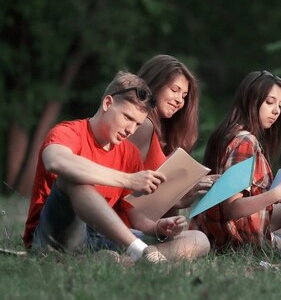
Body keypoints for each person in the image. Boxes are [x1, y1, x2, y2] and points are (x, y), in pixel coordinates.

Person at [23, 71, 211, 263]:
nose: (130, 129)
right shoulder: (68, 132)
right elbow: (55, 161)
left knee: (198, 239)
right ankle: (143, 254)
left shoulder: (129, 152)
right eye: (127, 118)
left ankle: (126, 262)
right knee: (74, 179)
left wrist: (158, 227)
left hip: (99, 236)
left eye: (137, 124)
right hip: (53, 235)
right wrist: (128, 179)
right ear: (107, 103)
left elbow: (135, 215)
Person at [190, 70, 281, 251]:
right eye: (269, 102)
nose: (276, 111)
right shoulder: (245, 141)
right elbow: (232, 208)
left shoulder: (228, 132)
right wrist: (278, 193)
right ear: (251, 100)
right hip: (241, 241)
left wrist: (275, 195)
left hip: (228, 232)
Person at [129, 55, 216, 211]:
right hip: (121, 226)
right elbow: (128, 192)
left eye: (184, 96)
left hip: (138, 223)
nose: (179, 101)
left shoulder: (156, 130)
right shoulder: (143, 126)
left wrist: (192, 188)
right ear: (153, 84)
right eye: (174, 90)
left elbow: (149, 199)